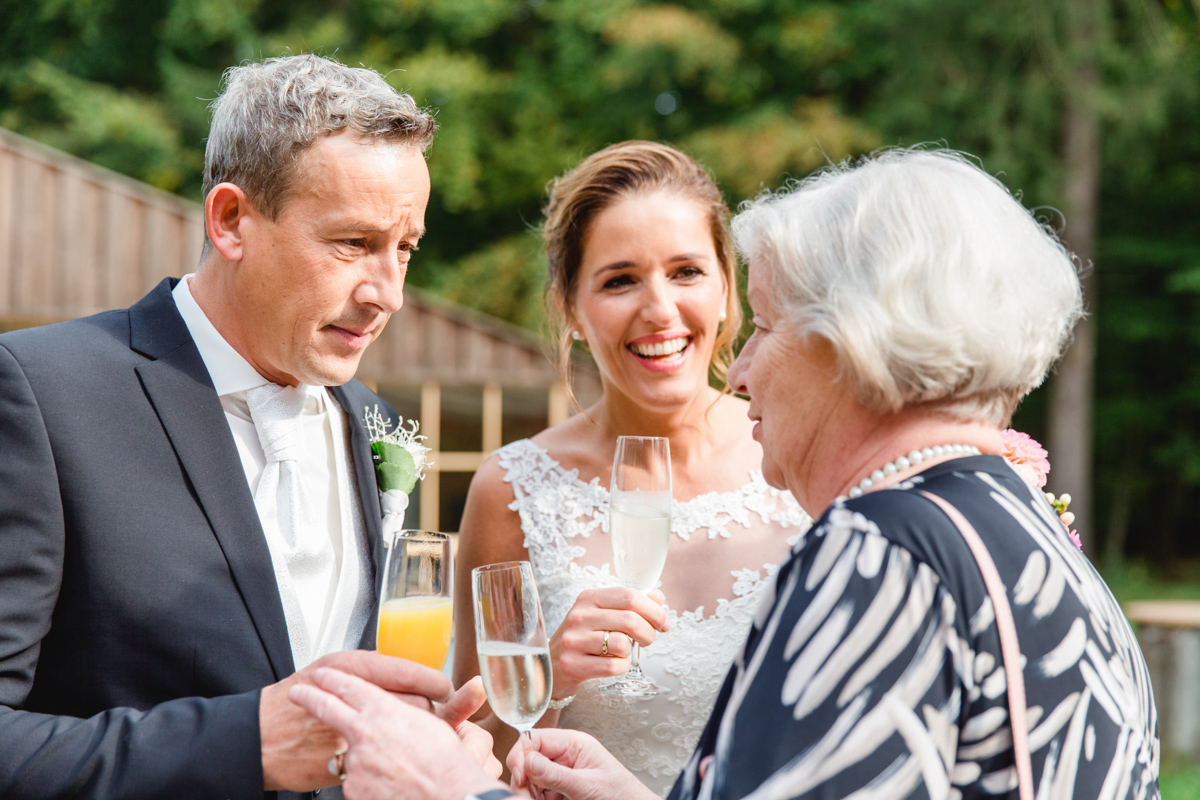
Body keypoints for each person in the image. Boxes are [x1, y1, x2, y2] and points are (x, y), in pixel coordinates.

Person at [294, 148, 1159, 800]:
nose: (738, 370)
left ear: (842, 343)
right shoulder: (1009, 521)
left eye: (765, 326)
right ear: (572, 307)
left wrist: (454, 794)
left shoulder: (883, 548)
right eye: (620, 279)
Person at [0, 54, 494, 800]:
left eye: (405, 249)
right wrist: (245, 743)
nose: (387, 292)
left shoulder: (377, 424)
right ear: (231, 220)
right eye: (352, 244)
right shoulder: (40, 391)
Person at [450, 141, 810, 794]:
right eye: (620, 280)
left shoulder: (806, 457)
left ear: (729, 289)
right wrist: (542, 680)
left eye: (686, 272)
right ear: (569, 310)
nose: (659, 310)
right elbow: (463, 764)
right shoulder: (511, 491)